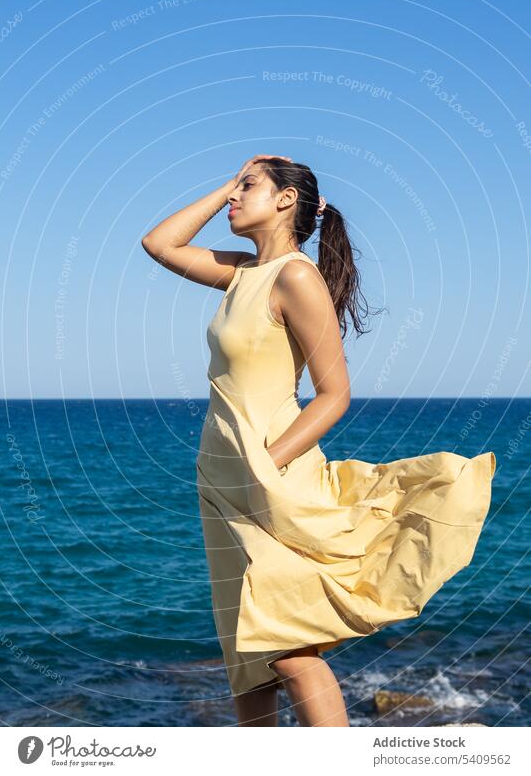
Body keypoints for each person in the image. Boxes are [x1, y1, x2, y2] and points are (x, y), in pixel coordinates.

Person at [141, 154, 496, 727]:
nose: (233, 198)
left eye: (246, 187)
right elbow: (159, 244)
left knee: (288, 645)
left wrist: (269, 462)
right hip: (220, 479)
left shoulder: (296, 277)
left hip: (267, 477)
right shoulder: (242, 272)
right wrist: (226, 185)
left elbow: (335, 392)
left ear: (286, 200)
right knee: (248, 651)